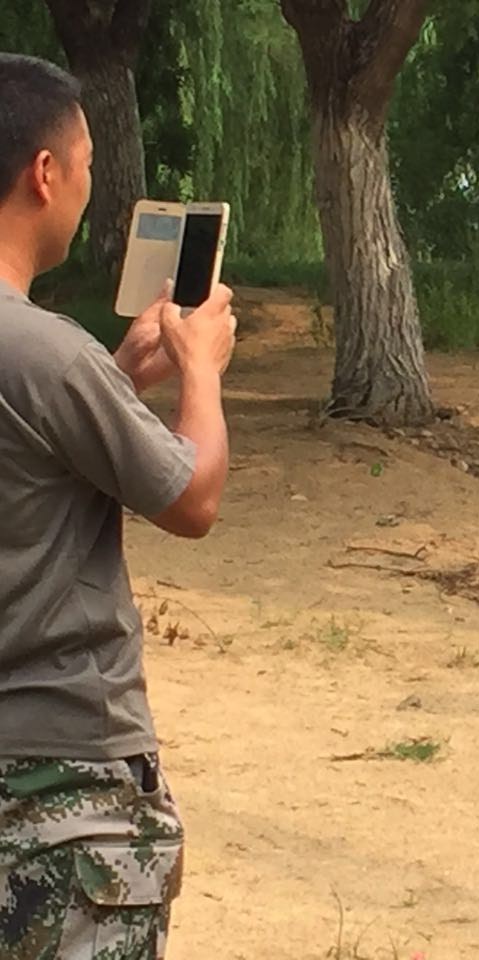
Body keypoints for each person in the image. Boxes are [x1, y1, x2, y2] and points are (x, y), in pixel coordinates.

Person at [0, 53, 237, 958]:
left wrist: (117, 377)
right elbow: (193, 493)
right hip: (62, 794)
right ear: (45, 173)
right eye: (91, 165)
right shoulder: (45, 354)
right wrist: (201, 373)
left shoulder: (61, 367)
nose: (92, 187)